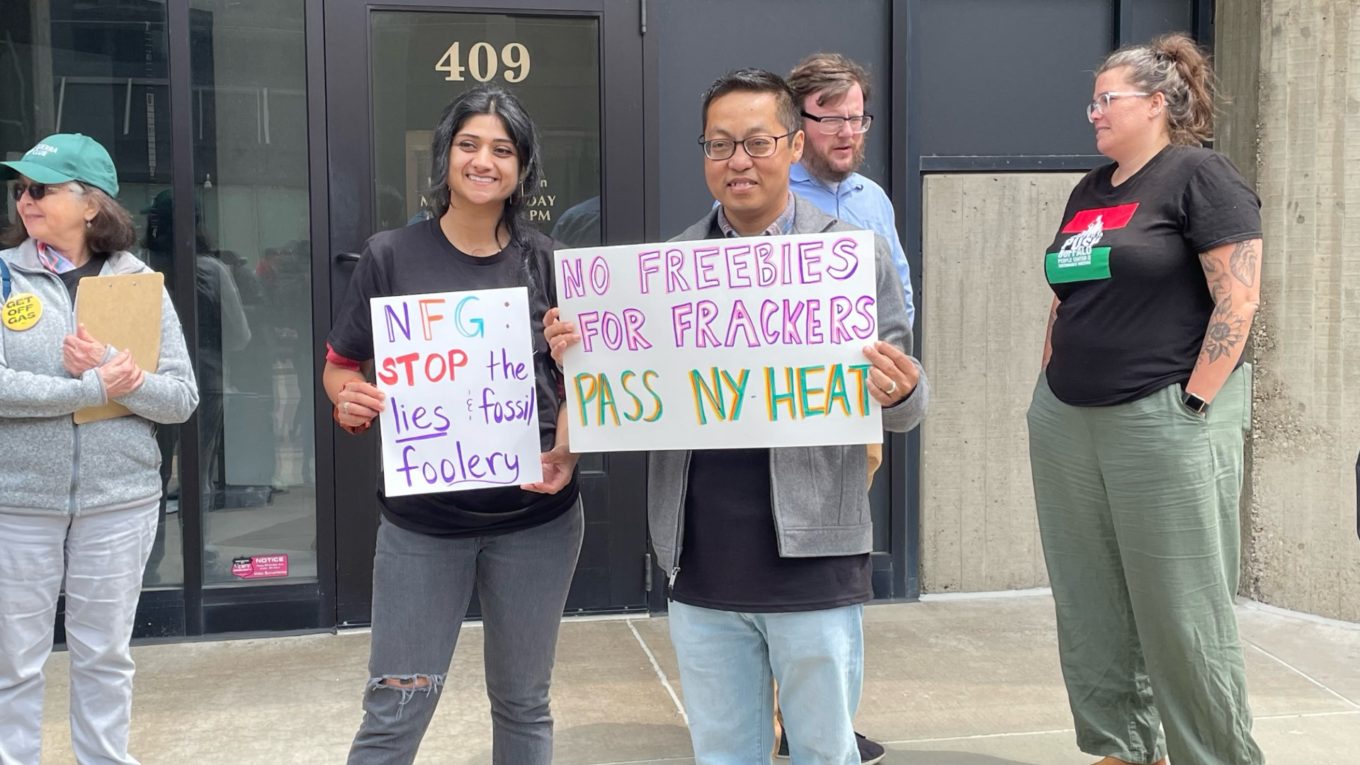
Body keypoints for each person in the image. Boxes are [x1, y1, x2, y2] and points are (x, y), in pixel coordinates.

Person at [546, 68, 929, 765]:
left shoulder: (850, 256)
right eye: (719, 145)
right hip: (701, 558)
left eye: (757, 142)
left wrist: (902, 392)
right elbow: (621, 397)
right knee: (724, 753)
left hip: (815, 555)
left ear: (793, 146)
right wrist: (580, 354)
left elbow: (905, 408)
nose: (738, 161)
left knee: (824, 751)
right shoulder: (663, 270)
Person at [324, 85, 581, 765]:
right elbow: (340, 367)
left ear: (522, 167)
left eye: (503, 149)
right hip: (422, 526)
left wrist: (569, 449)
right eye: (469, 144)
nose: (483, 161)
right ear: (445, 155)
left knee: (524, 703)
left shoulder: (550, 262)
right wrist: (349, 399)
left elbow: (585, 386)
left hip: (537, 520)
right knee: (394, 710)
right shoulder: (389, 256)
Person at [1027, 34, 1264, 765]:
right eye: (1092, 101)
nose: (1094, 112)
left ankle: (1212, 755)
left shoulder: (1200, 175)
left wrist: (1194, 405)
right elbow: (1066, 296)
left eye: (1108, 99)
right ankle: (1123, 747)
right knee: (1090, 599)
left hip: (1163, 416)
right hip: (1069, 419)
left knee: (1182, 608)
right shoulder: (1091, 190)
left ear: (1157, 103)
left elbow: (1238, 297)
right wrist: (1045, 384)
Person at [0, 133, 198, 764]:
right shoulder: (2, 277)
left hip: (119, 501)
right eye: (21, 189)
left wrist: (122, 373)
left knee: (105, 656)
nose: (25, 200)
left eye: (41, 189)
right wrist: (89, 388)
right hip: (18, 501)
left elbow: (181, 398)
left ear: (91, 205)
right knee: (12, 661)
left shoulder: (139, 285)